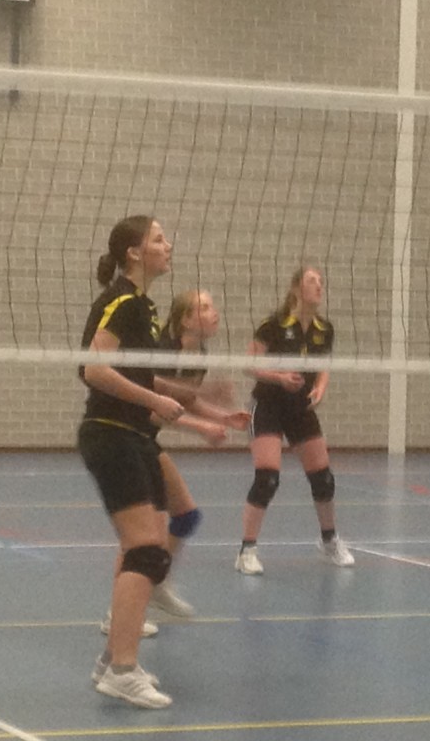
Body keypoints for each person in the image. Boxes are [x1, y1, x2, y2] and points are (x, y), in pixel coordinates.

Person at [78, 214, 184, 709]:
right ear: (135, 253)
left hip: (133, 434)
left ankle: (112, 661)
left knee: (148, 550)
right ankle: (121, 670)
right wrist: (155, 401)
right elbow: (94, 369)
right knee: (144, 551)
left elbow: (140, 376)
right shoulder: (123, 301)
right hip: (112, 433)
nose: (168, 245)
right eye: (159, 239)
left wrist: (200, 404)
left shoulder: (143, 306)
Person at [98, 289, 250, 633]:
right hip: (128, 436)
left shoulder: (198, 356)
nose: (214, 313)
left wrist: (223, 417)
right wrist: (201, 428)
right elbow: (154, 409)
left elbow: (186, 399)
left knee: (185, 516)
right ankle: (116, 614)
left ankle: (157, 583)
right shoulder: (162, 352)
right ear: (185, 319)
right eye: (205, 308)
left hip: (145, 439)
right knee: (140, 536)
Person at [235, 266, 354, 575]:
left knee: (323, 478)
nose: (319, 286)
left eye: (321, 281)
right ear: (296, 288)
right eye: (312, 281)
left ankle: (329, 541)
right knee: (267, 477)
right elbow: (248, 365)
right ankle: (247, 550)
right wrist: (279, 377)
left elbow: (323, 365)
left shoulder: (324, 329)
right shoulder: (273, 325)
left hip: (300, 408)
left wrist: (321, 388)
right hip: (268, 405)